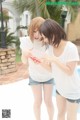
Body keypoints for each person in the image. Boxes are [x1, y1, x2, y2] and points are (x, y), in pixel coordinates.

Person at [39, 19, 80, 120]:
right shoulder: (50, 49)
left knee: (71, 118)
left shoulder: (71, 48)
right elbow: (53, 70)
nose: (45, 41)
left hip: (72, 91)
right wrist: (41, 63)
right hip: (60, 89)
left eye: (45, 37)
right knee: (60, 114)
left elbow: (70, 71)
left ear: (53, 33)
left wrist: (54, 60)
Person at [20, 17, 54, 120]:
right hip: (34, 77)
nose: (37, 35)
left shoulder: (49, 43)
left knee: (48, 101)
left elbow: (51, 68)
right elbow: (24, 61)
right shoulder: (27, 41)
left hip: (48, 76)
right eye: (34, 31)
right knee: (37, 101)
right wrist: (25, 54)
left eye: (40, 32)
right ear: (31, 30)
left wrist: (42, 61)